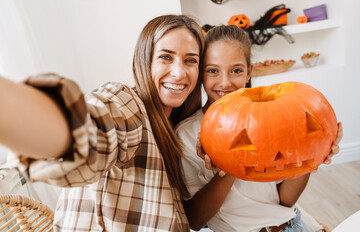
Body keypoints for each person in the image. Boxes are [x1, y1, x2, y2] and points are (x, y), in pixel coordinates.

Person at [0, 14, 205, 231]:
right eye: (166, 57)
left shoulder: (177, 132)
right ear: (145, 61)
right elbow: (91, 129)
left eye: (190, 60)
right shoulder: (127, 104)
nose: (179, 72)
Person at [175, 25, 343, 232]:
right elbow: (195, 221)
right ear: (201, 74)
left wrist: (309, 159)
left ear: (249, 72)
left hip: (291, 226)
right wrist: (228, 167)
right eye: (212, 70)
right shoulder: (187, 134)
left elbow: (285, 201)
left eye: (236, 70)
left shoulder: (270, 122)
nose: (225, 82)